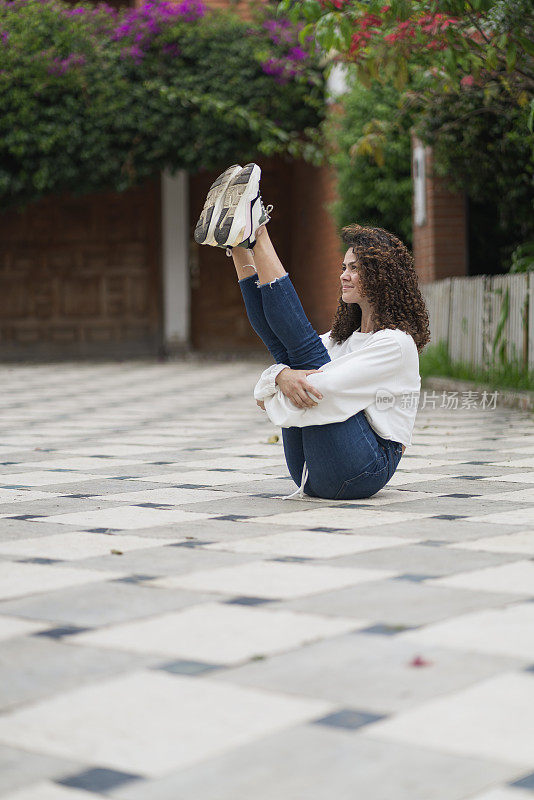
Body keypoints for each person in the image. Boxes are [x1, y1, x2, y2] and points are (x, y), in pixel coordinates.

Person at [194, 162, 431, 501]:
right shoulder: (342, 340)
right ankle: (240, 245)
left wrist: (278, 383)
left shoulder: (396, 344)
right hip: (308, 471)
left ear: (382, 277)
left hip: (362, 470)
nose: (343, 275)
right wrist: (278, 378)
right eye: (343, 267)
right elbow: (288, 380)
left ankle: (257, 230)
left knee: (303, 355)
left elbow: (320, 388)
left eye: (354, 269)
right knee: (288, 351)